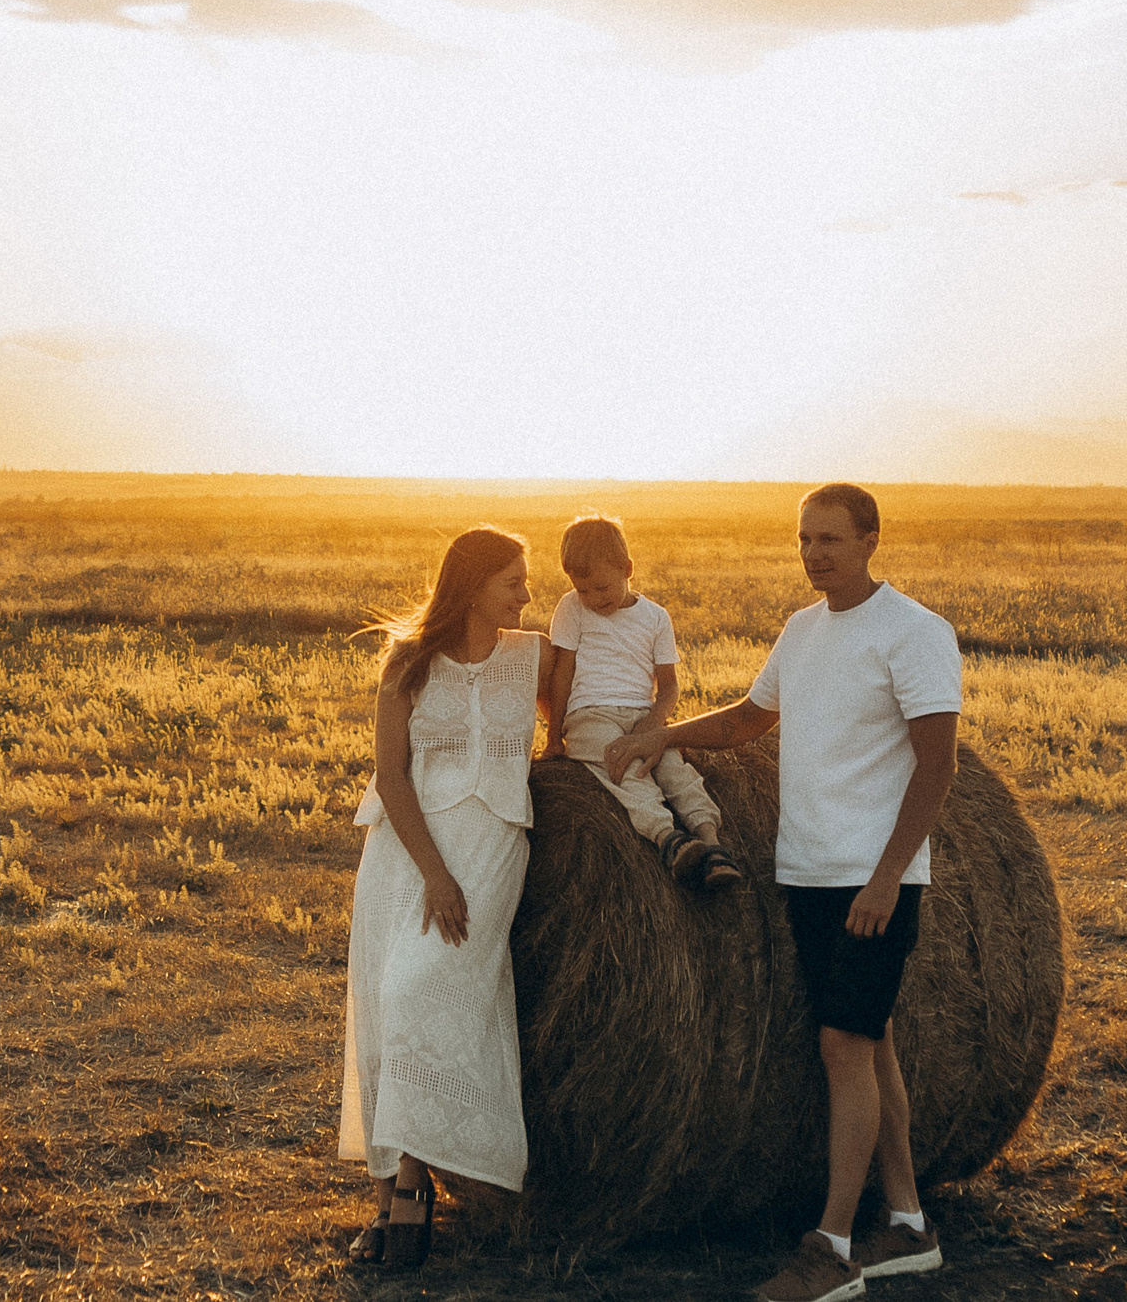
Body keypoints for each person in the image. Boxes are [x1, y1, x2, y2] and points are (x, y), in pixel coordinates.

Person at [602, 483, 959, 1302]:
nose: (813, 553)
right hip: (807, 872)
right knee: (871, 1042)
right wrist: (662, 734)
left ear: (869, 540)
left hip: (872, 880)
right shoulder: (802, 630)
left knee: (843, 1046)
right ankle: (908, 1222)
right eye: (804, 538)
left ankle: (831, 1247)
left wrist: (886, 876)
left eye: (830, 538)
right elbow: (747, 719)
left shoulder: (915, 632)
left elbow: (937, 764)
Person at [339, 526, 551, 1270]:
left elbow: (601, 703)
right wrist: (433, 872)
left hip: (492, 843)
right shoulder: (407, 661)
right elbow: (391, 775)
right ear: (472, 585)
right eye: (513, 581)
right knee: (386, 1002)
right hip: (406, 850)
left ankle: (411, 1182)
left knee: (422, 987)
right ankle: (390, 1195)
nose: (526, 594)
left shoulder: (535, 655)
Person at [544, 513, 744, 891]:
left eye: (602, 588)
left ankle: (712, 843)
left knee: (674, 770)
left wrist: (652, 728)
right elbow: (562, 674)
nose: (593, 599)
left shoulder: (655, 617)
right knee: (624, 769)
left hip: (642, 715)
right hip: (589, 716)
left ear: (628, 569)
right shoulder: (570, 608)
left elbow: (669, 687)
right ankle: (668, 838)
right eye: (583, 591)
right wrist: (555, 738)